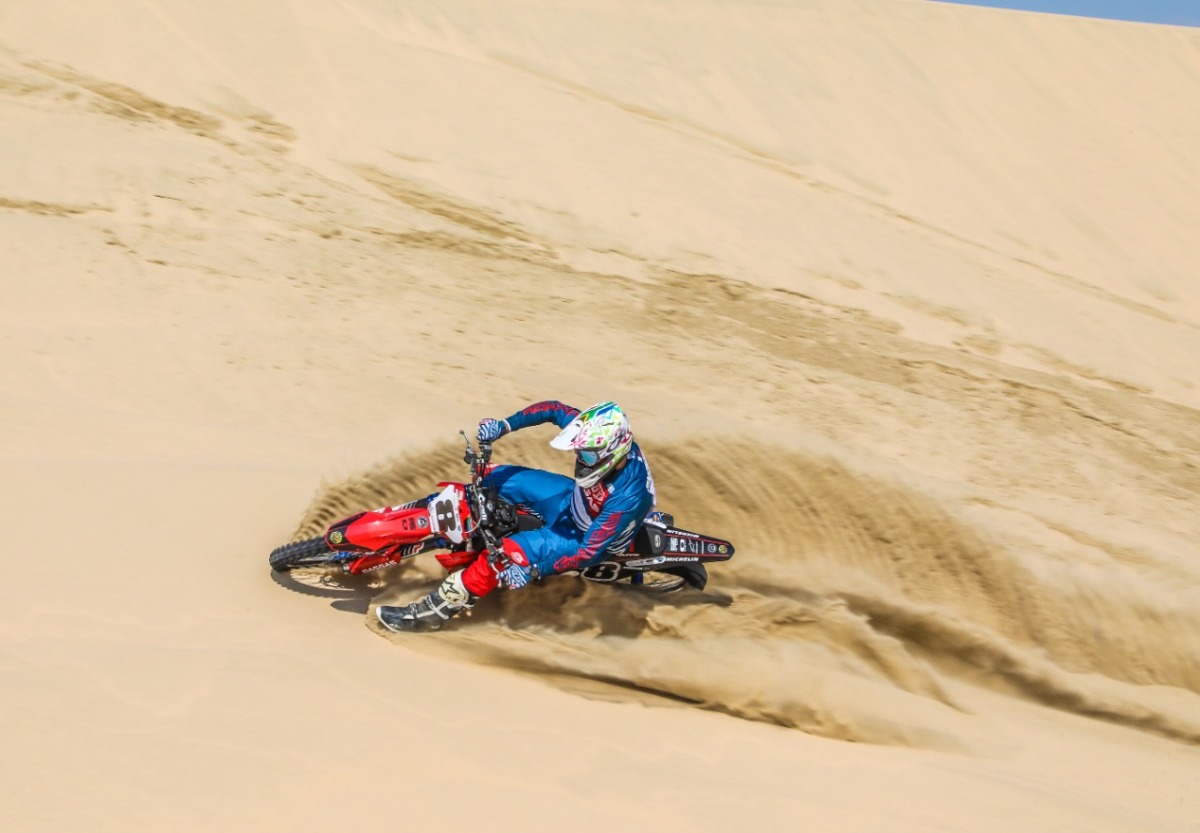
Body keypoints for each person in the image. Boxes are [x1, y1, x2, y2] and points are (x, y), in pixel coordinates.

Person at [376, 401, 657, 632]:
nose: (580, 457)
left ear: (613, 452)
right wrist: (503, 426)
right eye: (579, 451)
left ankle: (430, 615)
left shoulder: (629, 496)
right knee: (493, 476)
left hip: (579, 537)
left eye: (588, 455)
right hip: (570, 502)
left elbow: (589, 552)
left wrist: (532, 570)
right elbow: (554, 409)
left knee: (502, 557)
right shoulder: (597, 435)